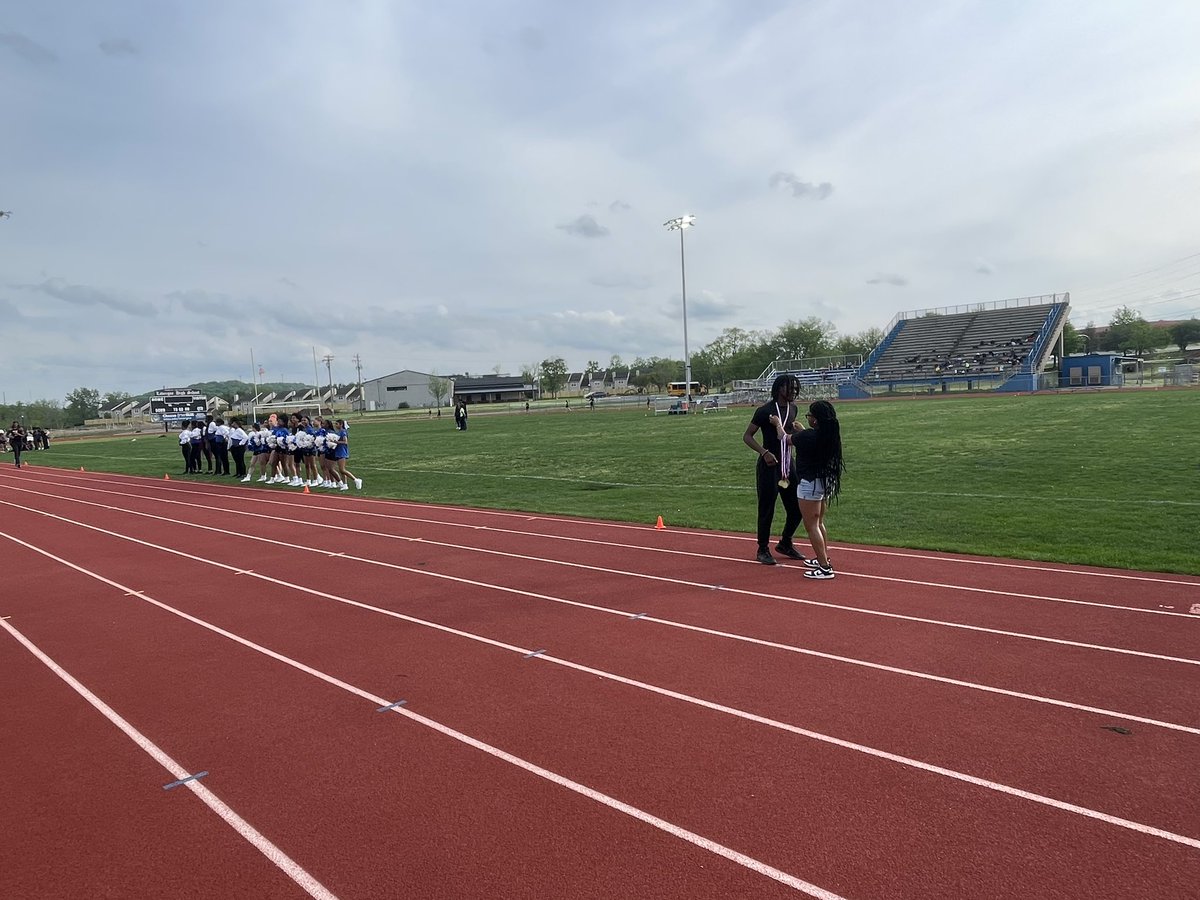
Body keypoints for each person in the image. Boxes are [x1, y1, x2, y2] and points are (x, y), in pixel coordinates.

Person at [769, 399, 845, 580]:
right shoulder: (828, 434)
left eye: (810, 415)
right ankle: (822, 558)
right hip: (823, 482)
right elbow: (810, 440)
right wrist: (802, 430)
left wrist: (777, 423)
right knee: (819, 523)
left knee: (811, 526)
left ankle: (825, 567)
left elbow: (783, 438)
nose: (808, 417)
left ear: (816, 420)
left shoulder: (809, 437)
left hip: (809, 484)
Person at [742, 375, 802, 565]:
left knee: (798, 507)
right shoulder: (764, 411)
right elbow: (747, 436)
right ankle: (762, 549)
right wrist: (763, 452)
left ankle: (785, 542)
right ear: (779, 388)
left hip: (787, 464)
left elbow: (787, 435)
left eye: (795, 388)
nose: (793, 391)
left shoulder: (793, 409)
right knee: (767, 508)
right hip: (769, 466)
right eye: (790, 388)